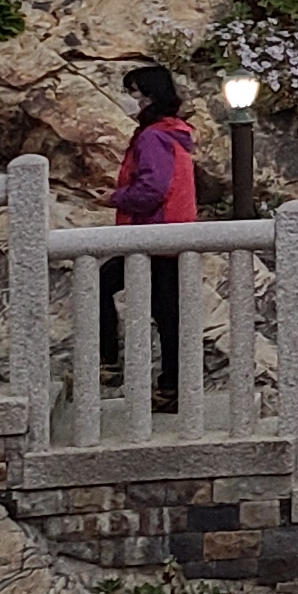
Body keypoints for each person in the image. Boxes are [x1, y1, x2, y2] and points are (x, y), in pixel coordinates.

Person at [99, 63, 196, 407]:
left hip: (154, 234)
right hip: (172, 234)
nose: (128, 99)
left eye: (132, 92)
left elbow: (152, 188)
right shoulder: (174, 132)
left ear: (148, 96)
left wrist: (116, 197)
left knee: (102, 285)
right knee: (167, 313)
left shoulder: (153, 136)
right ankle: (171, 387)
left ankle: (111, 362)